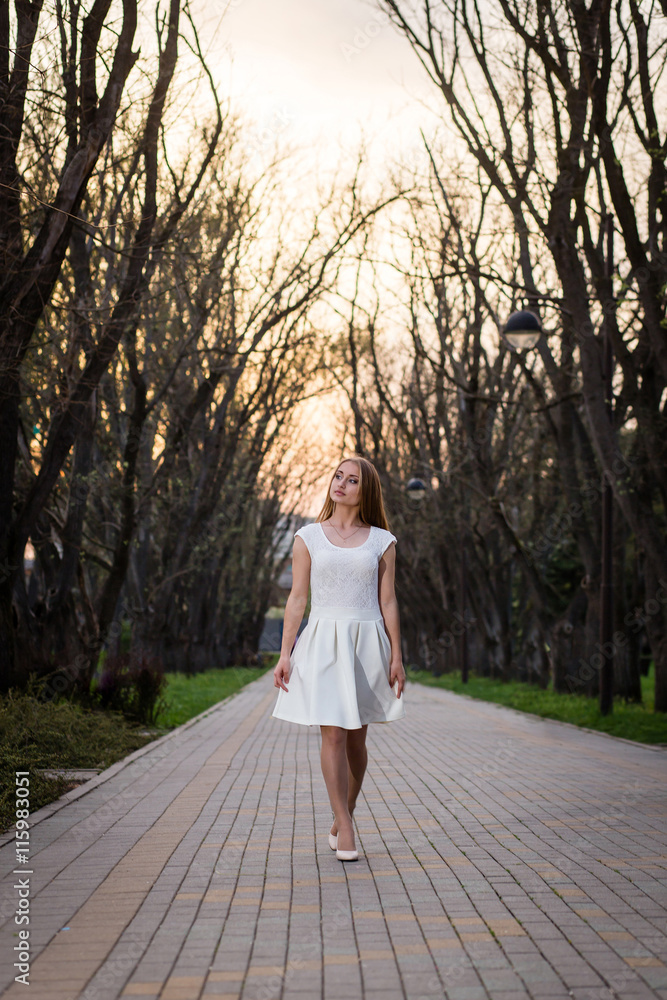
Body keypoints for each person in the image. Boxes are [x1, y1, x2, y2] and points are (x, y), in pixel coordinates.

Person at [271, 455, 406, 862]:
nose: (341, 484)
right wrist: (285, 653)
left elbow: (388, 601)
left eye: (351, 480)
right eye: (338, 476)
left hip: (366, 644)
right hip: (324, 641)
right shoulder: (308, 536)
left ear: (365, 491)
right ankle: (344, 825)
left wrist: (397, 656)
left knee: (357, 739)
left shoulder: (382, 541)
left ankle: (342, 813)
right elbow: (297, 598)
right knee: (332, 733)